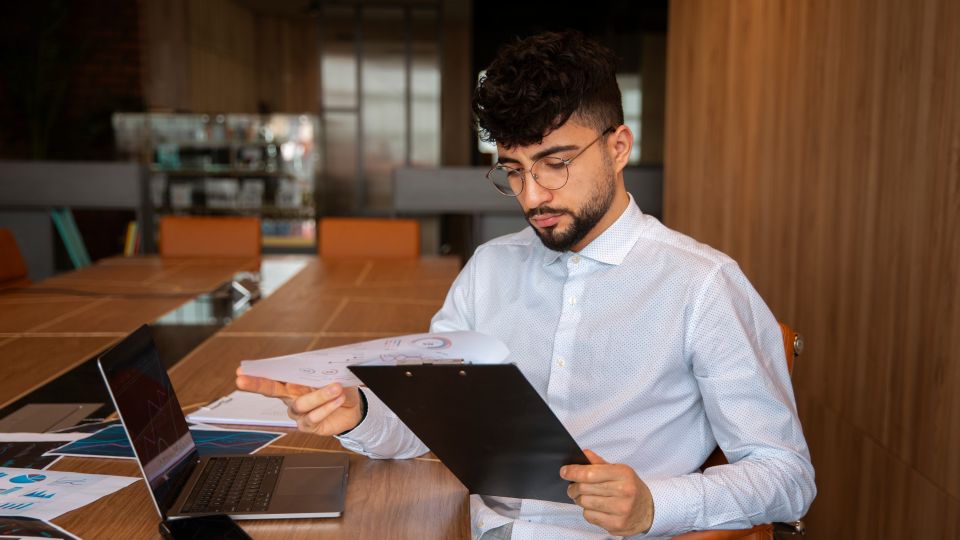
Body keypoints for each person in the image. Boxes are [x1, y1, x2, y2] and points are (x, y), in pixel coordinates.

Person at [237, 30, 816, 539]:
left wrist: (653, 504)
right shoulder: (489, 269)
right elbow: (429, 426)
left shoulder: (702, 285)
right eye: (513, 169)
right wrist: (359, 414)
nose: (533, 195)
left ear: (619, 148)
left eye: (556, 162)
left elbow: (786, 477)